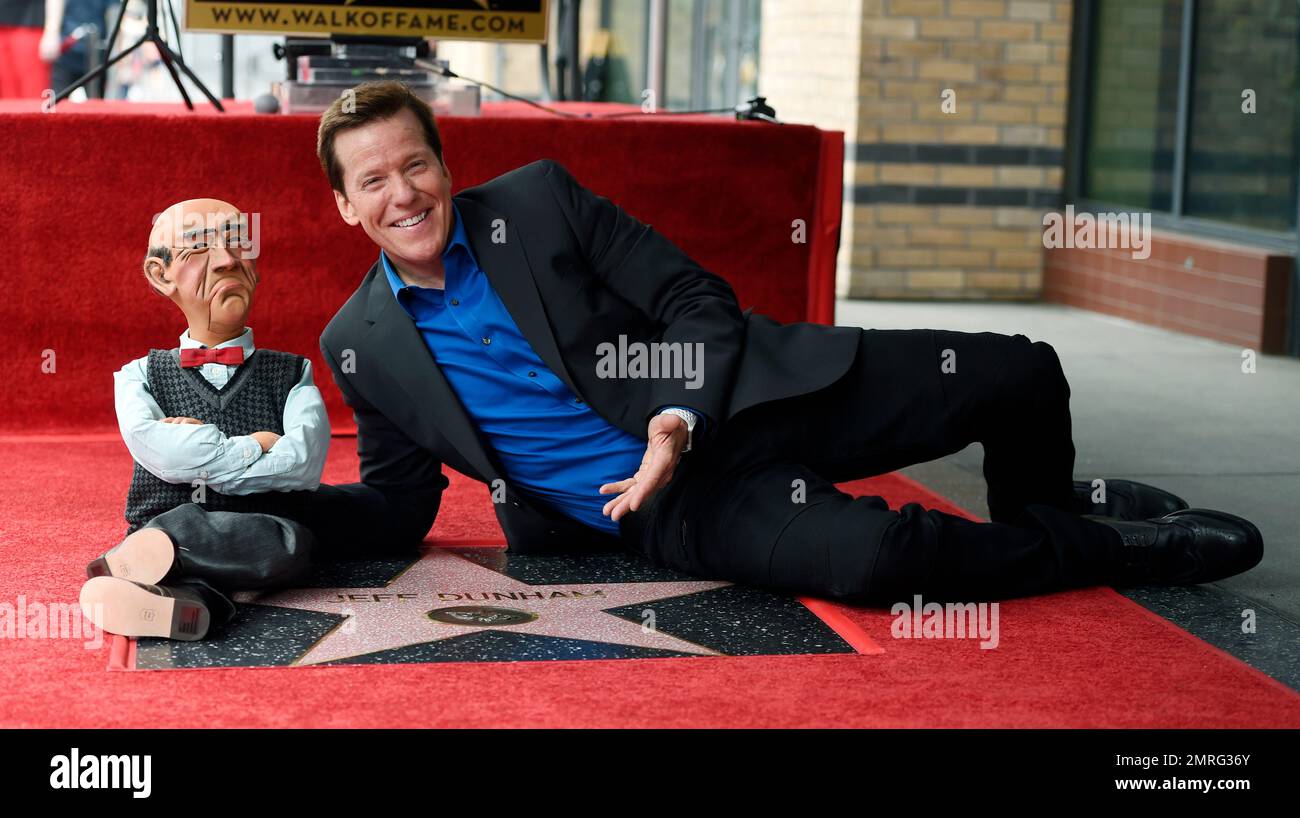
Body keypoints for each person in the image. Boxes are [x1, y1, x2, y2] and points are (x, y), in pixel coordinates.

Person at [314, 80, 1263, 606]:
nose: (403, 195)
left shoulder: (537, 200)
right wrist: (274, 514)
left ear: (445, 163)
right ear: (345, 207)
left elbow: (695, 296)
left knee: (1019, 369)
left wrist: (674, 414)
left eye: (416, 163)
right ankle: (1108, 547)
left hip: (750, 396)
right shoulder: (361, 342)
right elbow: (398, 501)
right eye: (374, 182)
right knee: (879, 563)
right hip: (661, 509)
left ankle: (1050, 502)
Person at [79, 199, 330, 640]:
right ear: (161, 276)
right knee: (263, 553)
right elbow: (161, 451)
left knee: (294, 546)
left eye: (237, 242)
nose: (228, 259)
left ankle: (165, 562)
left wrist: (205, 455)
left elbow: (304, 463)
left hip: (262, 528)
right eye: (198, 248)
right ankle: (177, 569)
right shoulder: (138, 375)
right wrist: (258, 443)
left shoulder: (293, 371)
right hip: (172, 515)